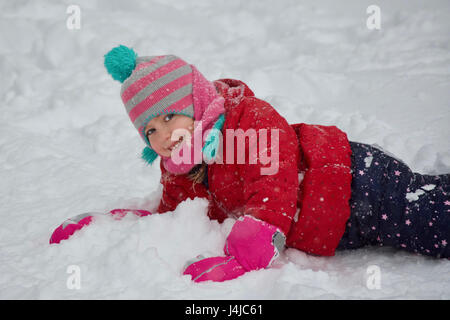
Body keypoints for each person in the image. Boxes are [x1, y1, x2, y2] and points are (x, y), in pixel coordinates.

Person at [103, 45, 450, 283]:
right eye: (150, 129)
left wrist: (251, 249)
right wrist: (123, 226)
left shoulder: (248, 119)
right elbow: (177, 212)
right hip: (334, 224)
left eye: (168, 117)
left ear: (194, 101)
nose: (162, 135)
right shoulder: (178, 164)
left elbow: (273, 182)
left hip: (353, 184)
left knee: (431, 220)